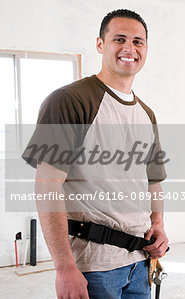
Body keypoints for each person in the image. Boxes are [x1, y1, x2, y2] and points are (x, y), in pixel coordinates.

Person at [21, 9, 168, 298]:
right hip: (93, 266)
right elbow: (47, 187)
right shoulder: (69, 101)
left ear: (146, 49)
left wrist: (158, 223)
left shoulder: (146, 114)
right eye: (120, 39)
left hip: (139, 263)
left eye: (138, 42)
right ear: (100, 44)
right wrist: (64, 267)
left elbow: (153, 180)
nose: (130, 48)